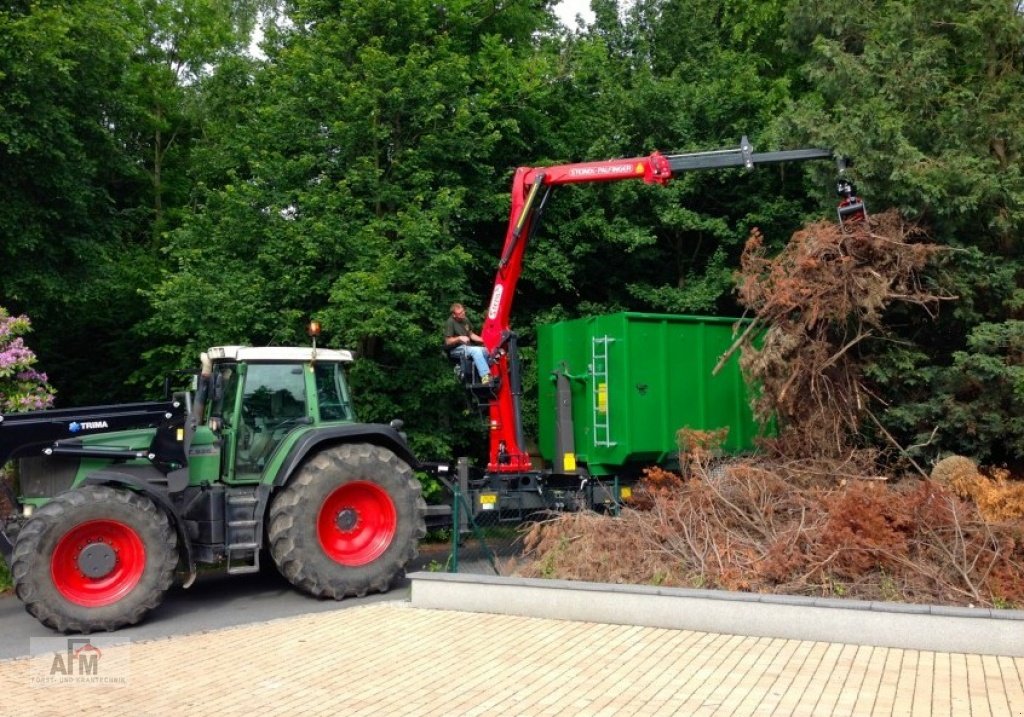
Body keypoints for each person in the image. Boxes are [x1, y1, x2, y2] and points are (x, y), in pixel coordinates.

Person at [444, 302, 492, 384]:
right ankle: (485, 376)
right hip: (455, 350)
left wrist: (484, 340)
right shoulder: (450, 322)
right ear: (454, 315)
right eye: (460, 313)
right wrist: (459, 338)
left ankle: (486, 375)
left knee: (486, 350)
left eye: (463, 311)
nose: (463, 314)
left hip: (467, 348)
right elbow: (448, 341)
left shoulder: (465, 319)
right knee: (476, 351)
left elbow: (470, 334)